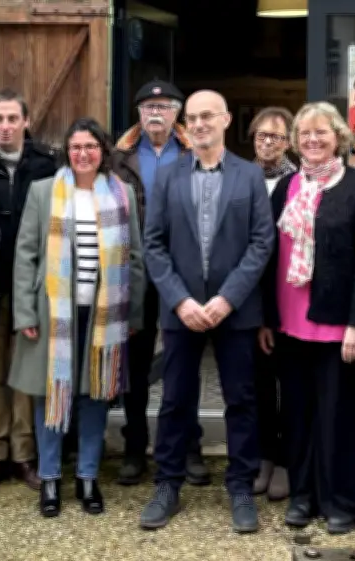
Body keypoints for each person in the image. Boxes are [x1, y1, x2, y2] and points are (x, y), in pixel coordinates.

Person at [140, 90, 274, 533]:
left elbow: (261, 242)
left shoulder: (249, 176)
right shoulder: (168, 176)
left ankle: (239, 485)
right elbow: (153, 244)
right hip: (181, 309)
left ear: (225, 120)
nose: (198, 124)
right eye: (191, 118)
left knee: (241, 399)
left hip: (233, 310)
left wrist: (226, 298)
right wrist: (180, 299)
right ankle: (168, 484)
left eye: (206, 117)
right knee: (176, 399)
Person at [8, 117, 145, 518]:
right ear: (66, 151)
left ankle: (87, 477)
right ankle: (50, 478)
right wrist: (24, 312)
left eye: (91, 146)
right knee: (51, 393)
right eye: (76, 146)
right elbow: (26, 254)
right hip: (53, 312)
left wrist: (133, 311)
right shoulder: (44, 192)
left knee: (94, 397)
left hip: (105, 313)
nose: (83, 153)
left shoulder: (121, 194)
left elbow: (134, 258)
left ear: (103, 151)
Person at [261, 102, 355, 534]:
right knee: (297, 415)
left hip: (337, 325)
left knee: (337, 417)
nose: (312, 141)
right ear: (295, 141)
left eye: (322, 133)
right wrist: (266, 319)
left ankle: (341, 502)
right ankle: (303, 496)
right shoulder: (288, 187)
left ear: (339, 138)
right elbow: (271, 254)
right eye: (304, 134)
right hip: (289, 322)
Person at [113, 80, 211, 487]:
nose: (156, 113)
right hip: (133, 267)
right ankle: (135, 447)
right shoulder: (119, 159)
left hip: (180, 269)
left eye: (165, 106)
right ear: (138, 114)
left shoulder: (195, 154)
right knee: (135, 364)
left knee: (182, 361)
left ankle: (189, 446)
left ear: (178, 114)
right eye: (149, 106)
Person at [0, 88, 59, 498]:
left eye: (11, 119)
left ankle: (24, 454)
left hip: (33, 289)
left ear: (25, 122)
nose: (4, 127)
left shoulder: (46, 165)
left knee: (25, 376)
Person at [248, 106, 296, 500]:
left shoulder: (298, 181)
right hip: (249, 298)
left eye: (276, 137)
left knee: (289, 383)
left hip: (287, 296)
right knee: (259, 384)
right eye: (261, 136)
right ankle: (264, 454)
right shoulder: (240, 176)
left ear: (289, 142)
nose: (268, 143)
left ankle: (285, 459)